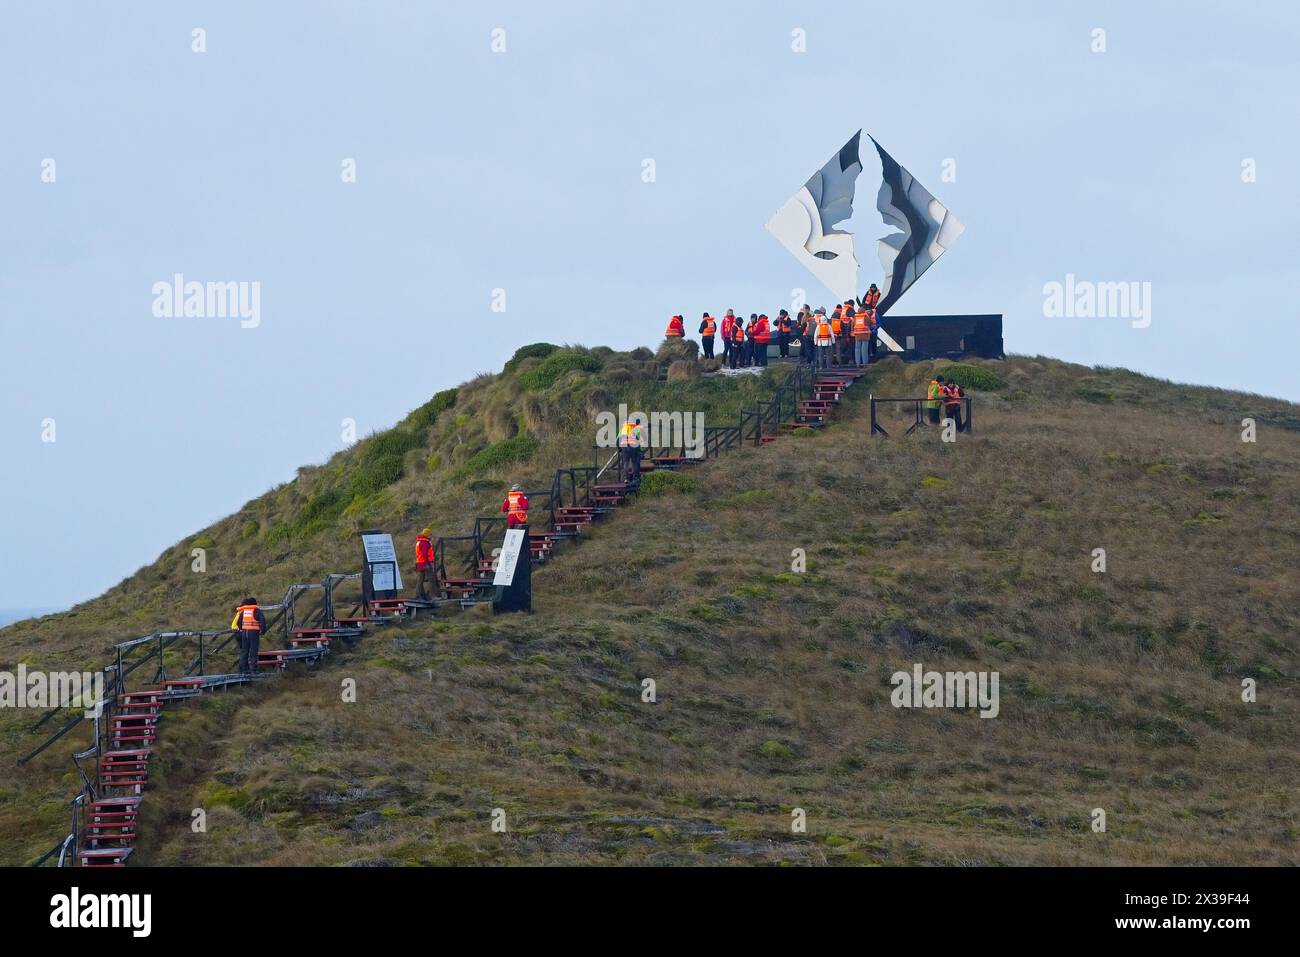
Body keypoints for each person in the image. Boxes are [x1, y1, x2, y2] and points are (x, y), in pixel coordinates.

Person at [232, 596, 267, 675]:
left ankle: (244, 669)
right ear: (254, 603)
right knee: (253, 651)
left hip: (244, 633)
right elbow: (263, 622)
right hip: (254, 633)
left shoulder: (244, 611)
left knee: (245, 651)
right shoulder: (257, 610)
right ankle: (253, 670)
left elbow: (238, 622)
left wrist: (242, 628)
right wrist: (263, 631)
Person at [618, 418, 645, 483]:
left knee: (626, 463)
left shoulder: (623, 428)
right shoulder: (635, 428)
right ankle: (634, 478)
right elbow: (638, 438)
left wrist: (619, 448)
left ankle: (626, 478)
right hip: (633, 446)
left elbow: (618, 439)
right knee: (634, 462)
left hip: (624, 446)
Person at [413, 528, 436, 600]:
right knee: (432, 579)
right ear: (427, 534)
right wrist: (428, 564)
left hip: (419, 563)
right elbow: (424, 554)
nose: (431, 536)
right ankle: (432, 595)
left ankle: (419, 595)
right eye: (430, 534)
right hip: (425, 563)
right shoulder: (425, 543)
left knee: (420, 580)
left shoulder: (419, 541)